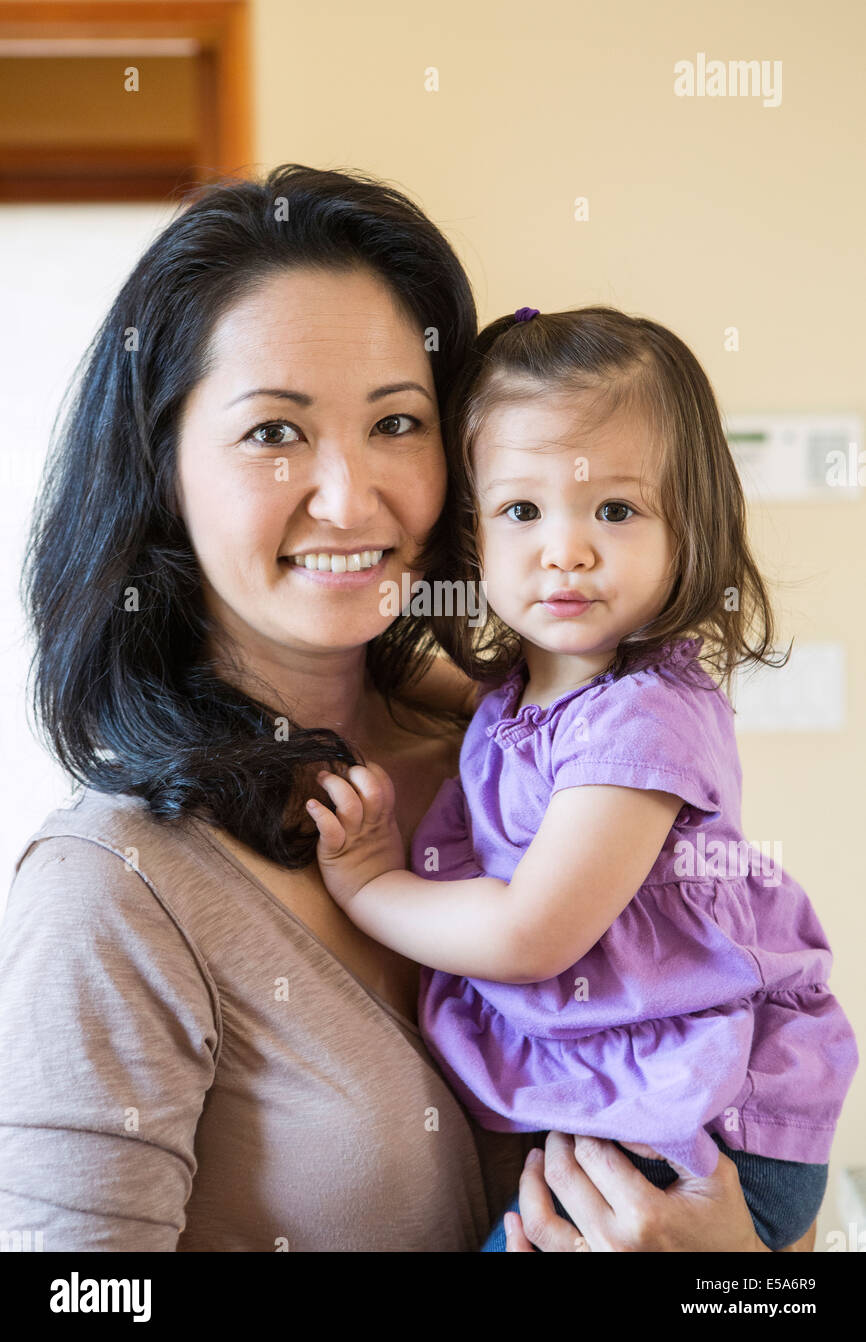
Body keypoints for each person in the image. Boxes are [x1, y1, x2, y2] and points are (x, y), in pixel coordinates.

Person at [0, 167, 817, 1252]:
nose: (350, 495)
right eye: (273, 433)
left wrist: (732, 1273)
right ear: (163, 472)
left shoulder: (531, 760)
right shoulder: (113, 887)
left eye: (396, 421)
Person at [304, 305, 858, 1252]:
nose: (566, 549)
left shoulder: (641, 724)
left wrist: (369, 884)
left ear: (692, 527)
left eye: (616, 509)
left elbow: (530, 936)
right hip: (656, 1100)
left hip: (713, 1124)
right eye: (523, 510)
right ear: (475, 537)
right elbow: (451, 692)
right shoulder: (530, 695)